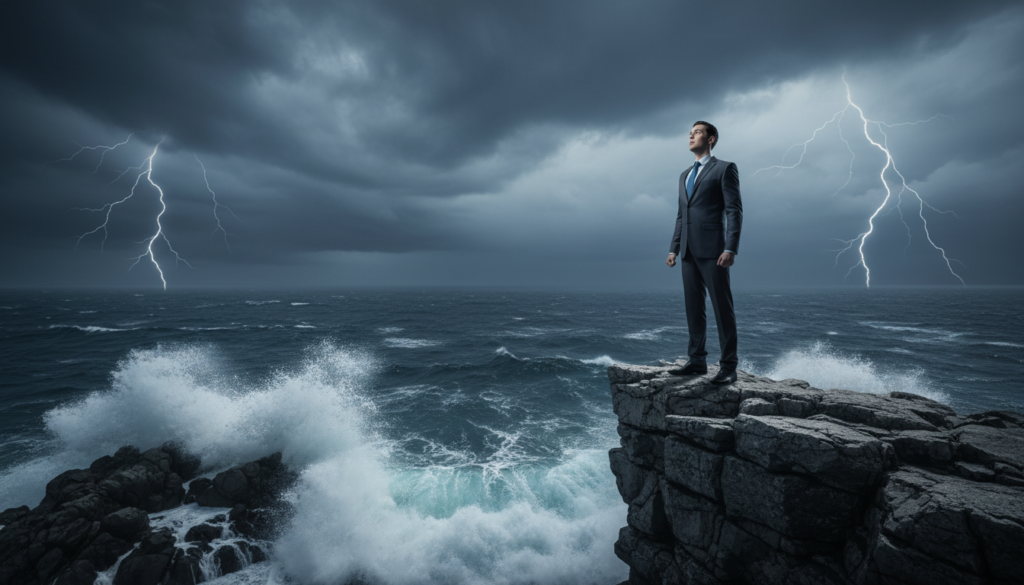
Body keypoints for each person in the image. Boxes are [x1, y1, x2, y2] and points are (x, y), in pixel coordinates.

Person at [666, 121, 742, 384]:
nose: (691, 136)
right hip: (687, 251)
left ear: (711, 139)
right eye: (690, 133)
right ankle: (697, 361)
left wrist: (730, 247)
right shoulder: (684, 175)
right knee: (693, 308)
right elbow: (681, 215)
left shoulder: (724, 168)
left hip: (714, 250)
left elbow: (734, 210)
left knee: (722, 308)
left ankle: (729, 366)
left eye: (697, 132)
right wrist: (674, 248)